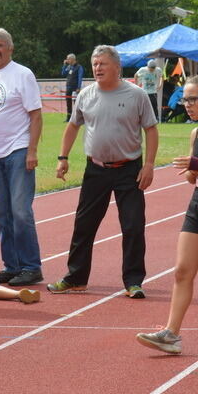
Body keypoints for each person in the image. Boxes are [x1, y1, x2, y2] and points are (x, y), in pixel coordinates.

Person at [48, 45, 158, 298]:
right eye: (95, 64)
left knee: (133, 225)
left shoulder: (136, 95)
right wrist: (62, 158)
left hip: (129, 169)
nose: (97, 68)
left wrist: (149, 164)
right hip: (95, 169)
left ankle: (133, 281)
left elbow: (151, 130)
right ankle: (76, 278)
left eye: (103, 64)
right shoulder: (86, 95)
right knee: (84, 225)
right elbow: (73, 125)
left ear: (117, 67)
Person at [0, 28, 43, 287]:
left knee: (20, 211)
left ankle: (30, 266)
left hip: (18, 150)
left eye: (0, 46)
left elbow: (36, 115)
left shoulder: (22, 74)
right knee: (2, 213)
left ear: (10, 48)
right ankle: (12, 265)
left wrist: (32, 150)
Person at [137, 75, 198, 354]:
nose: (188, 104)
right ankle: (171, 334)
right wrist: (189, 168)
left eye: (194, 98)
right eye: (186, 98)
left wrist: (195, 163)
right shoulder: (195, 133)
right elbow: (191, 176)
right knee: (182, 271)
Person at [61, 53, 84, 122]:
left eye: (68, 59)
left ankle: (78, 118)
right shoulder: (69, 67)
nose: (67, 60)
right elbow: (63, 74)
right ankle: (69, 118)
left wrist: (78, 87)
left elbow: (80, 77)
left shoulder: (79, 67)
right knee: (68, 104)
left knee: (76, 104)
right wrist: (64, 65)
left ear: (72, 59)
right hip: (68, 88)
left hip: (75, 88)